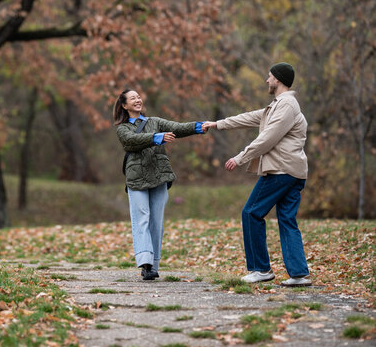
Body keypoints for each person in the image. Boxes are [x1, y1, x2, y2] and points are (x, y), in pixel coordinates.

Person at [203, 62, 311, 287]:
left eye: (269, 76)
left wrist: (239, 158)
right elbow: (249, 117)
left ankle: (260, 269)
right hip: (293, 172)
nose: (266, 80)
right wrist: (217, 124)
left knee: (251, 213)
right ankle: (299, 274)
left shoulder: (287, 105)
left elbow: (268, 138)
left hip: (282, 171)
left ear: (278, 80)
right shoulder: (279, 106)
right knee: (287, 220)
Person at [114, 89, 204, 280]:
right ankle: (145, 263)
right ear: (124, 105)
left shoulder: (154, 121)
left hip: (159, 175)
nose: (138, 99)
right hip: (136, 178)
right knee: (142, 219)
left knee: (157, 221)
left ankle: (153, 266)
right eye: (133, 98)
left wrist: (199, 126)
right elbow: (131, 141)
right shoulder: (123, 128)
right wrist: (157, 138)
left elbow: (177, 128)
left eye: (139, 96)